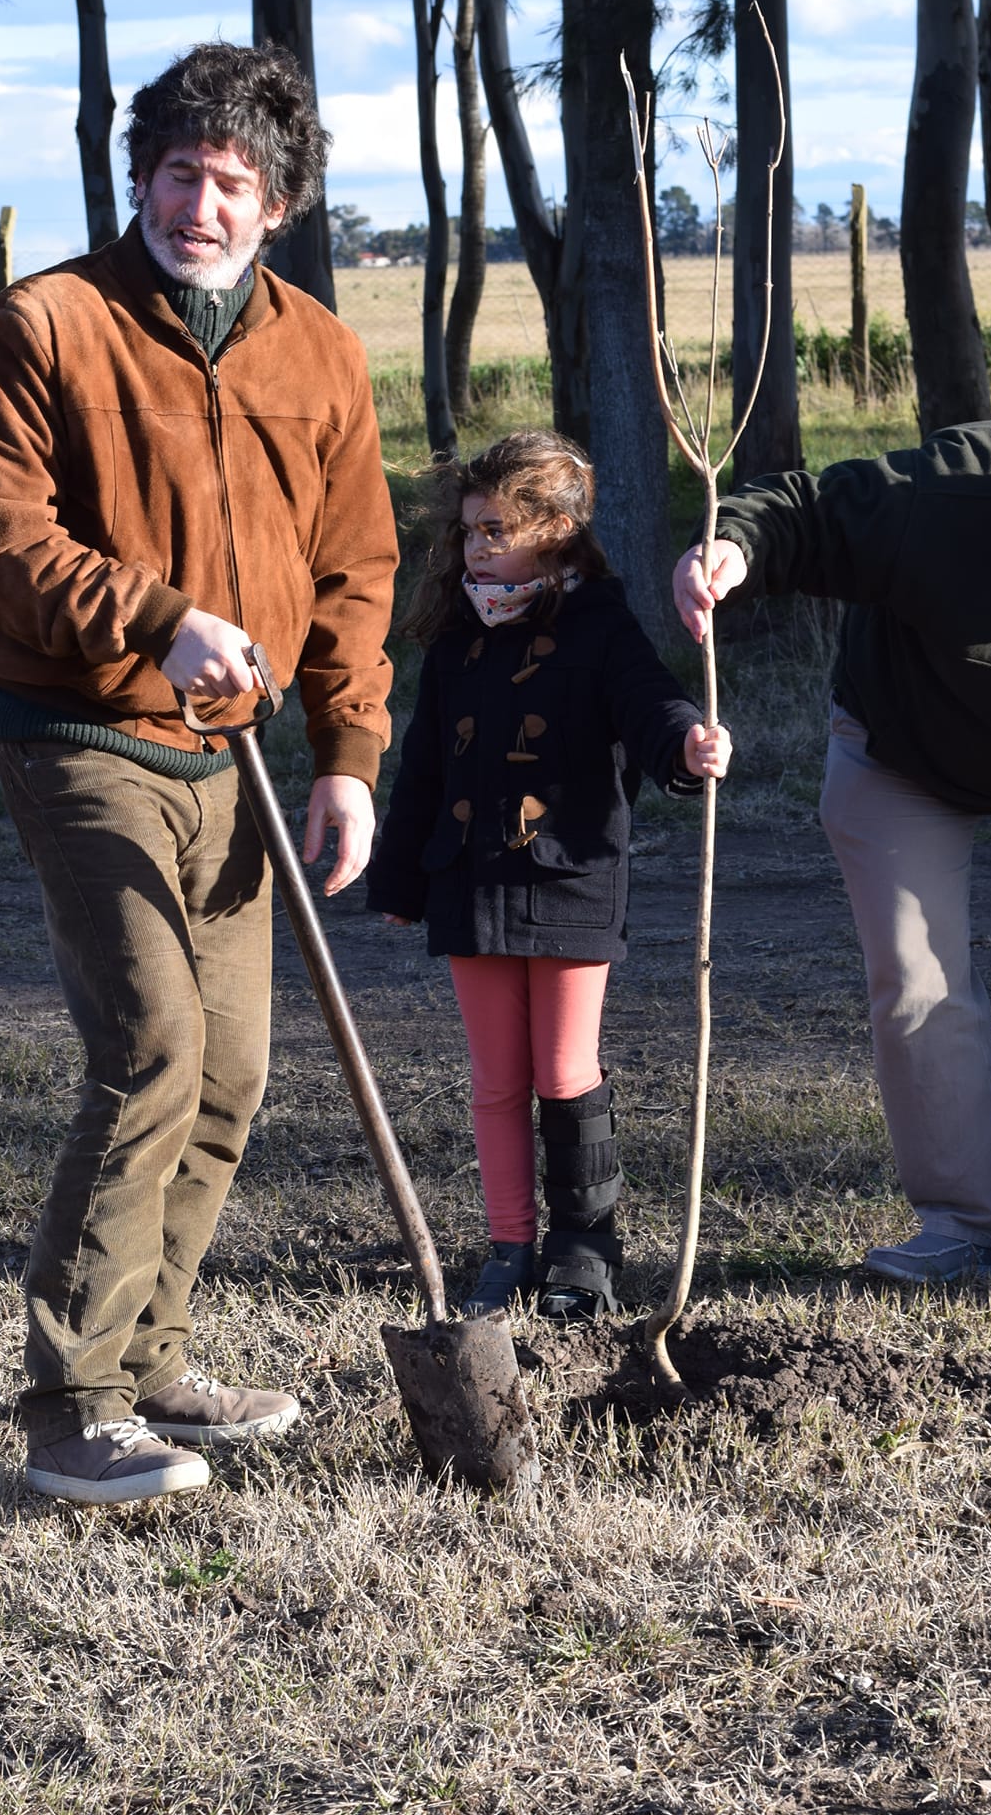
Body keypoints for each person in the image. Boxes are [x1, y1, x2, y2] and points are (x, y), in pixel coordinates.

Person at [0, 42, 398, 1504]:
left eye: (236, 183)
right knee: (151, 1046)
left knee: (232, 1069)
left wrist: (347, 754)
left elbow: (355, 571)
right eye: (183, 171)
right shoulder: (48, 324)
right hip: (79, 733)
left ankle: (151, 1360)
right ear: (142, 173)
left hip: (237, 759)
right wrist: (159, 619)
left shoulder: (321, 354)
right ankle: (72, 1409)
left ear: (281, 207)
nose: (203, 204)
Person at [673, 419, 991, 1309]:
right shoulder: (950, 495)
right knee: (916, 981)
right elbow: (802, 513)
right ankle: (963, 1232)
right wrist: (729, 548)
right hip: (903, 747)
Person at [367, 431, 730, 1321]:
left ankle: (583, 1249)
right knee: (495, 1080)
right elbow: (422, 766)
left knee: (564, 1072)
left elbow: (650, 702)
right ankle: (509, 1248)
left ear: (557, 529)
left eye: (496, 529)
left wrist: (686, 745)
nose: (476, 547)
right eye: (468, 531)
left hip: (569, 879)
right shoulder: (457, 638)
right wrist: (400, 882)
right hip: (467, 881)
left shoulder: (599, 623)